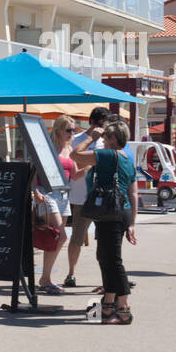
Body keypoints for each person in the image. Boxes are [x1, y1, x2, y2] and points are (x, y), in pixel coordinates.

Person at [71, 119, 137, 324]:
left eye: (105, 137)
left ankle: (124, 308)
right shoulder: (127, 157)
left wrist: (91, 137)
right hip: (120, 211)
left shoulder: (109, 155)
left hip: (111, 212)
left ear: (113, 139)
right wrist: (132, 222)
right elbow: (132, 192)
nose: (102, 140)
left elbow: (75, 155)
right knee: (105, 257)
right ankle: (107, 304)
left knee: (112, 260)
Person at [63, 107, 109, 288]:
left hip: (104, 198)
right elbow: (76, 162)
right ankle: (71, 273)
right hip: (82, 196)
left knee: (106, 240)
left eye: (105, 126)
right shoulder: (78, 140)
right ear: (92, 122)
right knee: (77, 238)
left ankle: (107, 279)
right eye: (100, 124)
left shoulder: (107, 142)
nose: (102, 129)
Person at [37, 115, 78, 294]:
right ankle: (45, 278)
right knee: (60, 236)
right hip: (47, 193)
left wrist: (94, 166)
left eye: (73, 130)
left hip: (63, 195)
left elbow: (75, 175)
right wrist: (35, 192)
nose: (71, 133)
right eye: (68, 130)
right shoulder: (48, 148)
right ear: (59, 130)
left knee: (57, 237)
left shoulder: (70, 149)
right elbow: (33, 171)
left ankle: (45, 278)